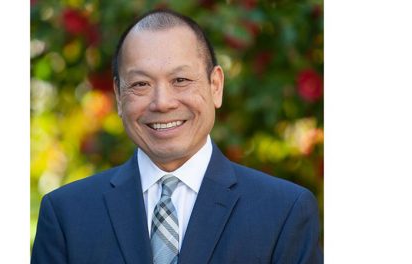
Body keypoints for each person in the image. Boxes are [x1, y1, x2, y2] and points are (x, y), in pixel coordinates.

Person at [31, 9, 323, 264]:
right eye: (141, 84)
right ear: (119, 96)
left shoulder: (284, 212)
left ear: (215, 85)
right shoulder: (66, 215)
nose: (162, 102)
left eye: (180, 80)